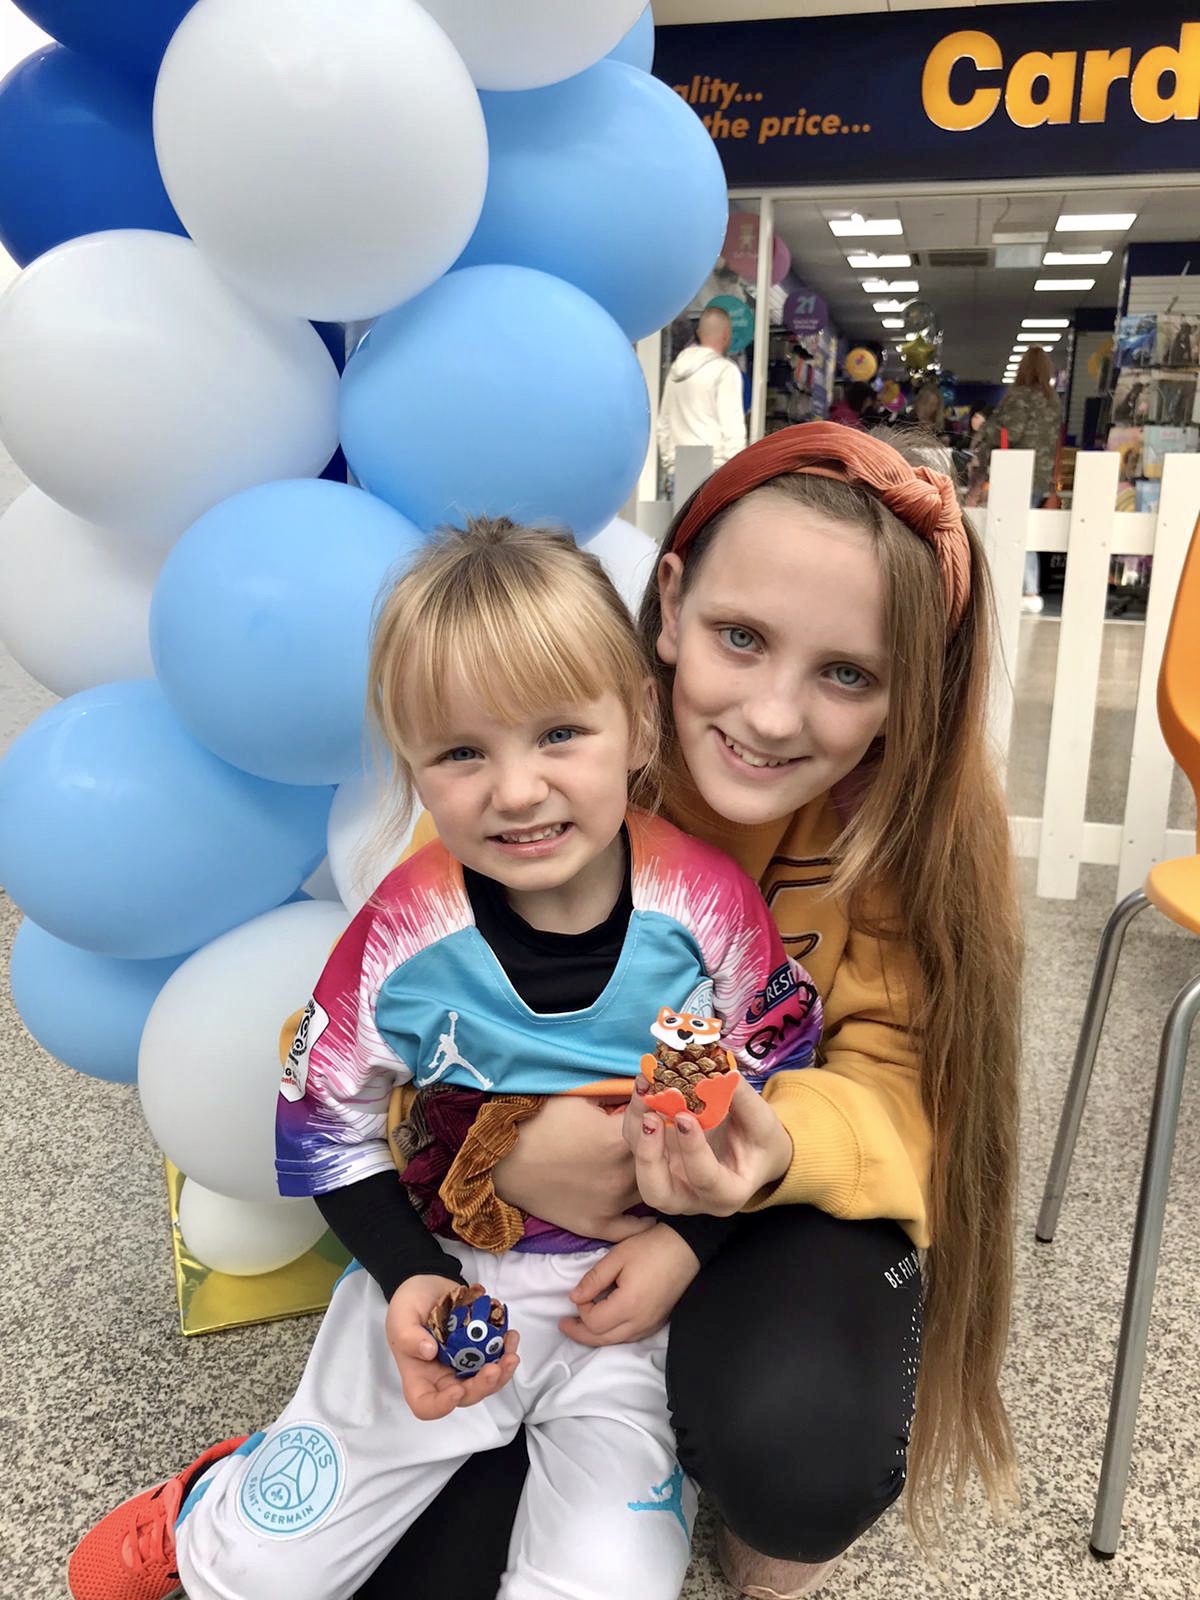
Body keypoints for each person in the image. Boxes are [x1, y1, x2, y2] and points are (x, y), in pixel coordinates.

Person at [70, 423, 1022, 1600]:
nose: (774, 716)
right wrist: (487, 1155)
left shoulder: (760, 892)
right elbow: (338, 1092)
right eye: (741, 636)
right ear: (669, 606)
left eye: (848, 673)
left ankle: (745, 1486)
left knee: (671, 1524)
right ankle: (232, 1508)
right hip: (477, 1253)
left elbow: (809, 1066)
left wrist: (720, 1202)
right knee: (313, 1562)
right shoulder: (456, 874)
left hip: (677, 1261)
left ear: (907, 691)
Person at [969, 348, 1062, 614]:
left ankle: (1020, 587)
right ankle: (1029, 589)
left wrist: (984, 426)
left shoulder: (1019, 396)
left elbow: (1010, 432)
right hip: (1039, 474)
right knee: (1026, 530)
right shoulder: (1052, 400)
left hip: (1014, 473)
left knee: (1008, 530)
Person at [657, 304, 747, 482]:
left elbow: (663, 423)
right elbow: (732, 426)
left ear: (699, 333)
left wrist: (670, 461)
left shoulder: (676, 370)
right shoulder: (725, 371)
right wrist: (735, 472)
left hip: (680, 467)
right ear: (726, 335)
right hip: (714, 469)